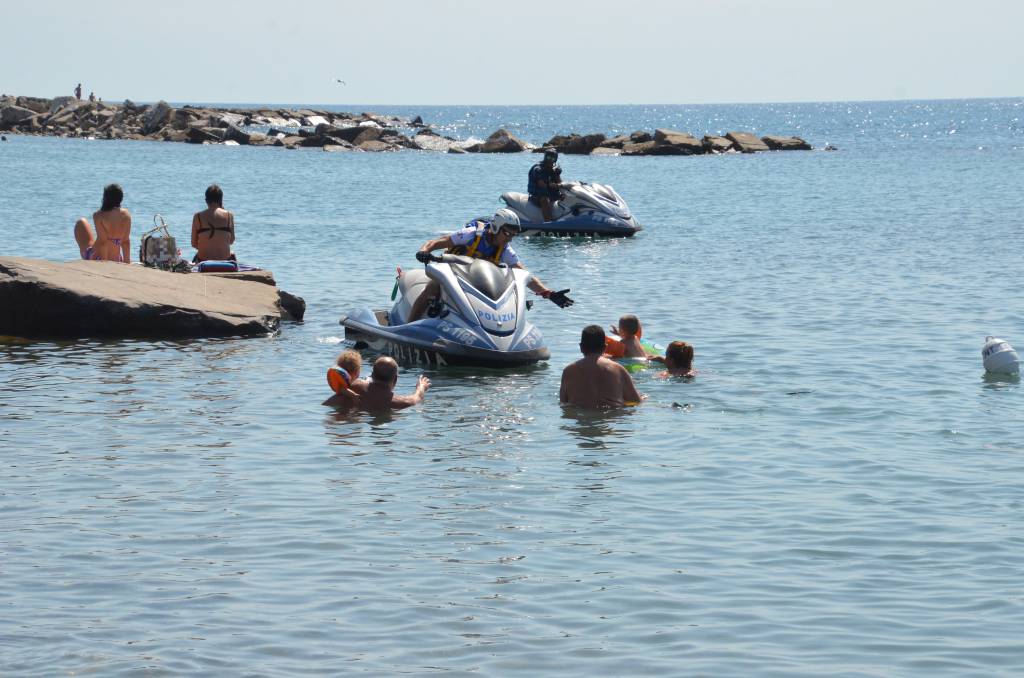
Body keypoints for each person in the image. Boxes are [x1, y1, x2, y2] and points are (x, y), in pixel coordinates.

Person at [406, 208, 574, 322]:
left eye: (513, 235)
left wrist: (548, 293)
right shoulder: (471, 234)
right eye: (507, 233)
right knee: (432, 288)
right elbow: (437, 242)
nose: (509, 238)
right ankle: (408, 326)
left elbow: (525, 275)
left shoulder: (505, 249)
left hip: (475, 281)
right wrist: (424, 251)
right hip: (451, 274)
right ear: (496, 227)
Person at [560, 325, 643, 408]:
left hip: (581, 416)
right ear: (605, 347)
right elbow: (635, 401)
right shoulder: (617, 369)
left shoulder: (568, 371)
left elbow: (563, 402)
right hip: (612, 416)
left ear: (581, 347)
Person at [73, 183, 131, 262]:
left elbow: (103, 242)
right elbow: (126, 242)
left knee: (81, 222)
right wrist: (127, 262)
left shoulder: (99, 216)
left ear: (105, 198)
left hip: (97, 257)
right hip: (117, 258)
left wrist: (104, 263)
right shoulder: (126, 215)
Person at [358, 357, 431, 411]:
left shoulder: (354, 386)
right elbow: (417, 398)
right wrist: (421, 387)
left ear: (372, 375)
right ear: (395, 379)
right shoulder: (399, 402)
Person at [191, 184, 236, 263]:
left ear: (206, 200)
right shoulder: (229, 215)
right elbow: (231, 241)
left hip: (203, 260)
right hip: (225, 260)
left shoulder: (197, 216)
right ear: (221, 200)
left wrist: (206, 246)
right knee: (232, 254)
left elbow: (194, 243)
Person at [528, 148, 563, 222]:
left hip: (551, 194)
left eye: (553, 158)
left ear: (555, 159)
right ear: (545, 157)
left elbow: (560, 183)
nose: (550, 160)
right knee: (544, 199)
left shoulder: (554, 170)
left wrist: (563, 188)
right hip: (536, 195)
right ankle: (548, 222)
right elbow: (542, 185)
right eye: (548, 157)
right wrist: (551, 185)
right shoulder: (538, 169)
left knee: (565, 196)